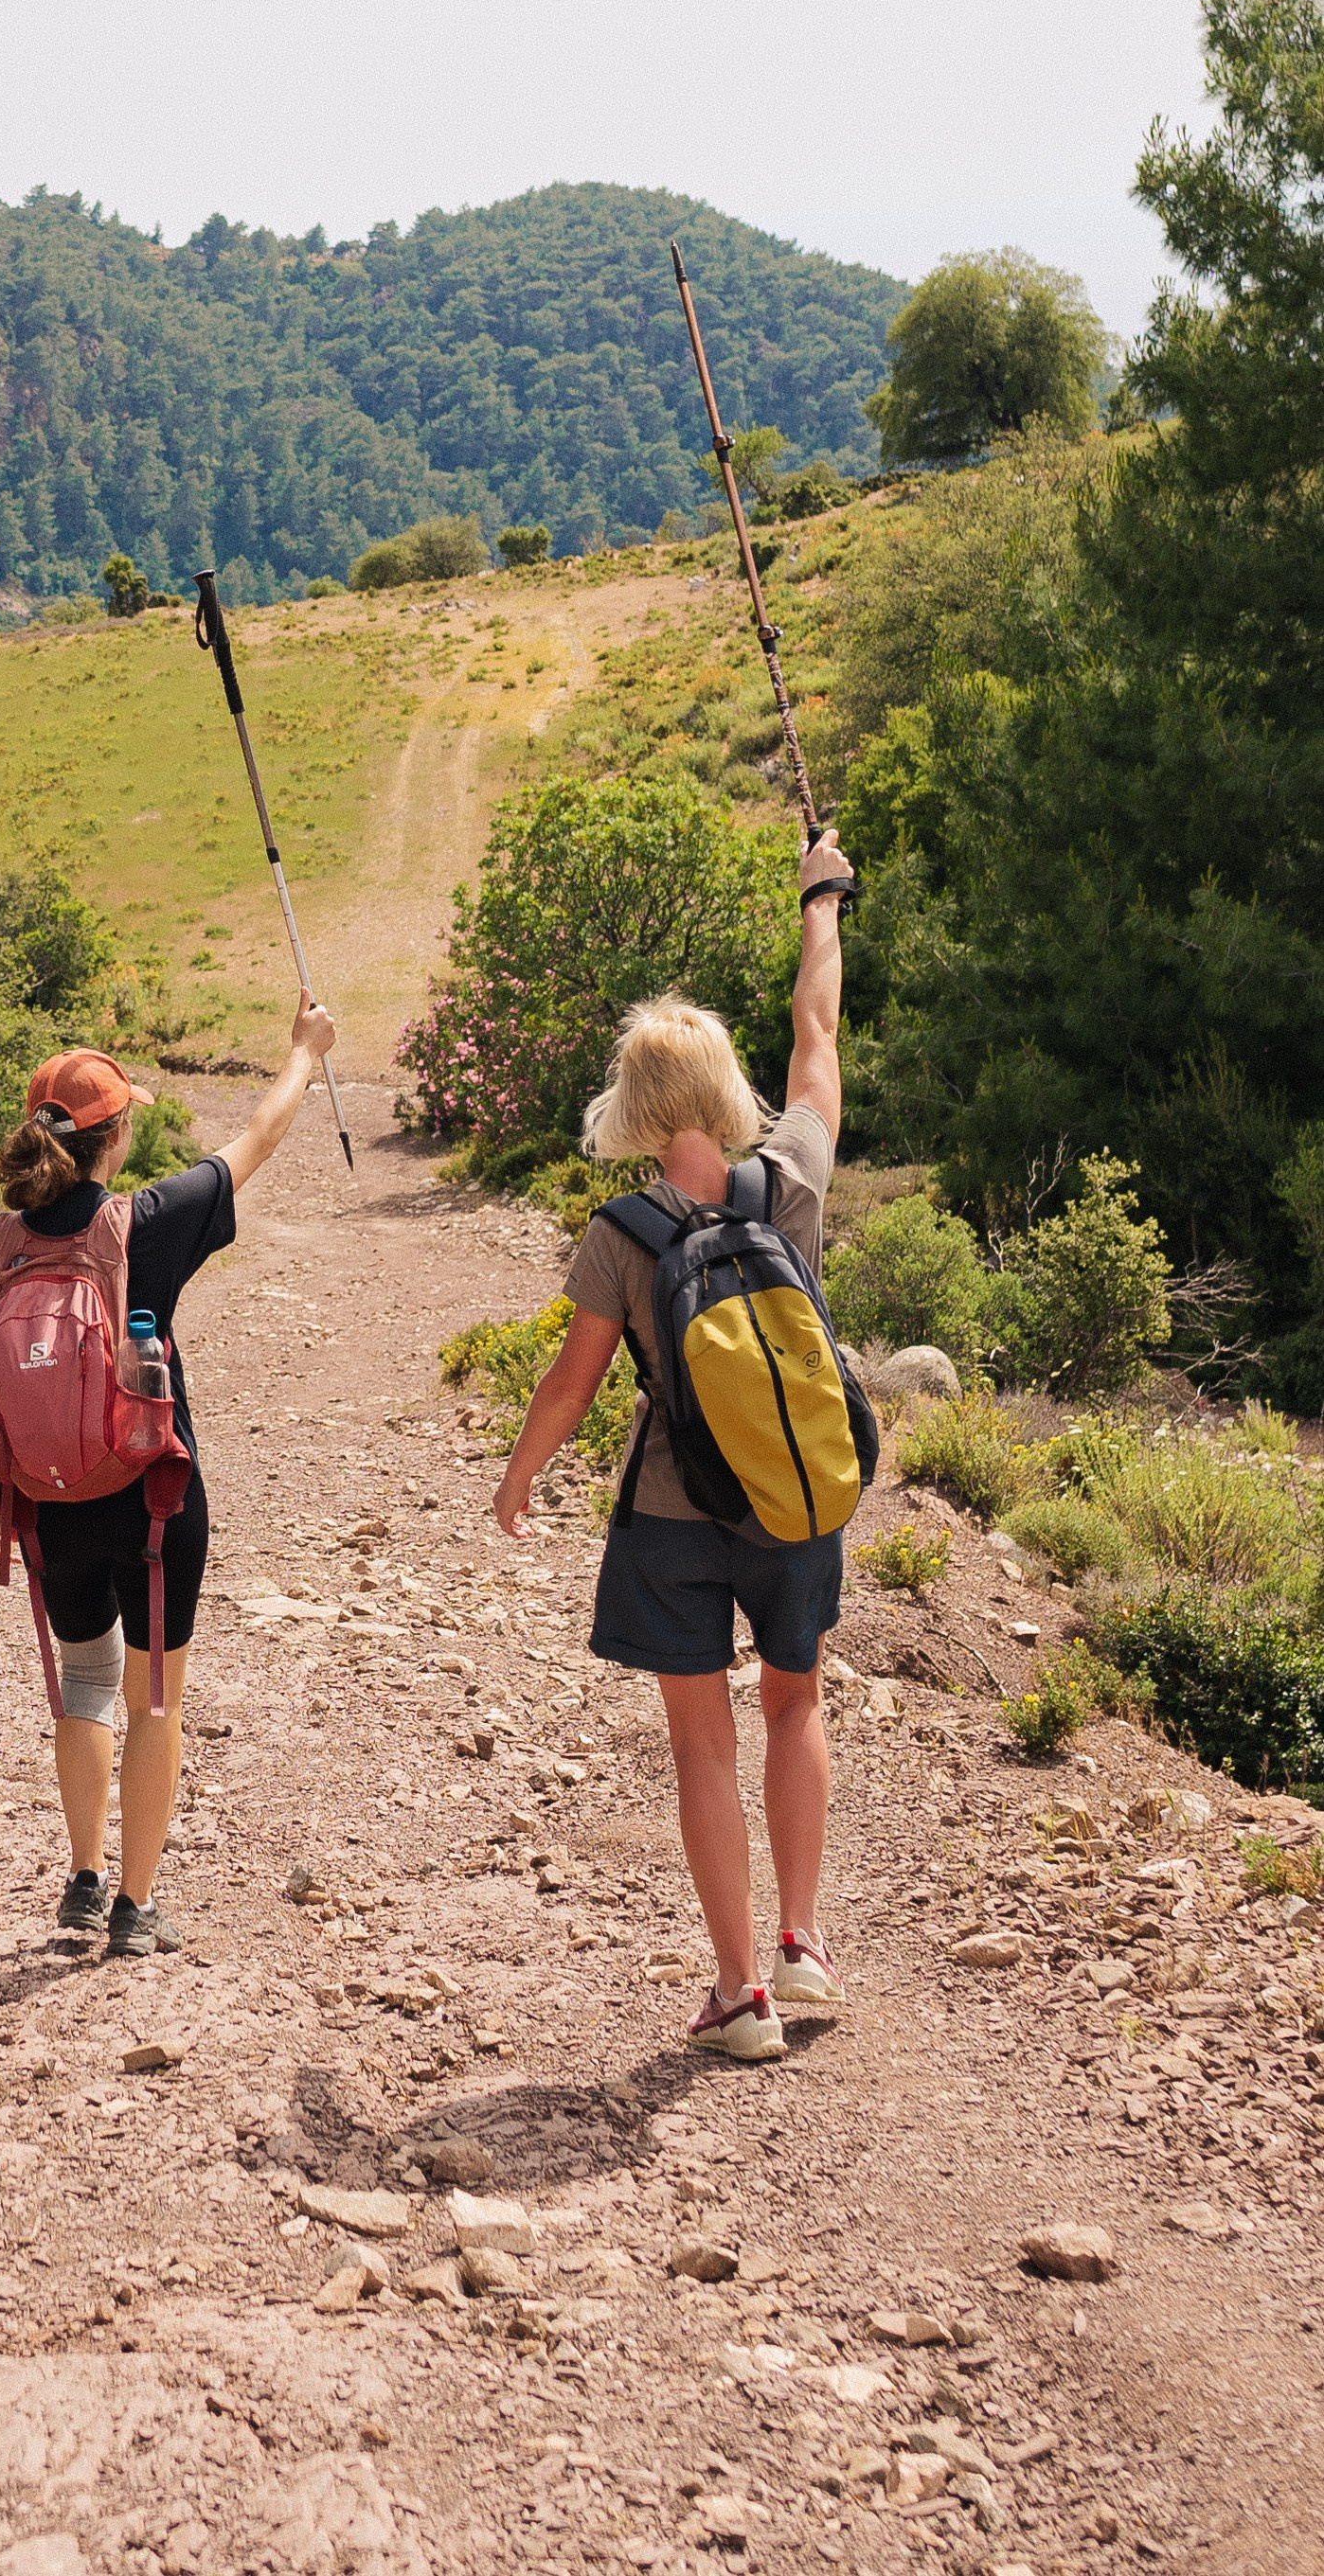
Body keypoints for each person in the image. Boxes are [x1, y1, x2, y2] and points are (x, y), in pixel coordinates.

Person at [491, 828, 856, 2062]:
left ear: (636, 1109)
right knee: (792, 1703)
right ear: (717, 1088)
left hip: (669, 1507)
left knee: (699, 1739)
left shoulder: (619, 1230)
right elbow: (816, 1037)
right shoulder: (792, 1175)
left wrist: (520, 1470)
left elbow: (570, 1382)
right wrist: (821, 896)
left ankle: (740, 1990)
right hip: (795, 1490)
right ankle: (804, 1945)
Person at [0, 995, 340, 1960]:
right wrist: (301, 1051)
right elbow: (257, 1136)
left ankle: (80, 1881)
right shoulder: (146, 1223)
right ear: (115, 1137)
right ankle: (136, 1902)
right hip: (154, 1496)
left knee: (80, 1683)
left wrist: (0, 1505)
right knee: (151, 1693)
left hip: (46, 1503)